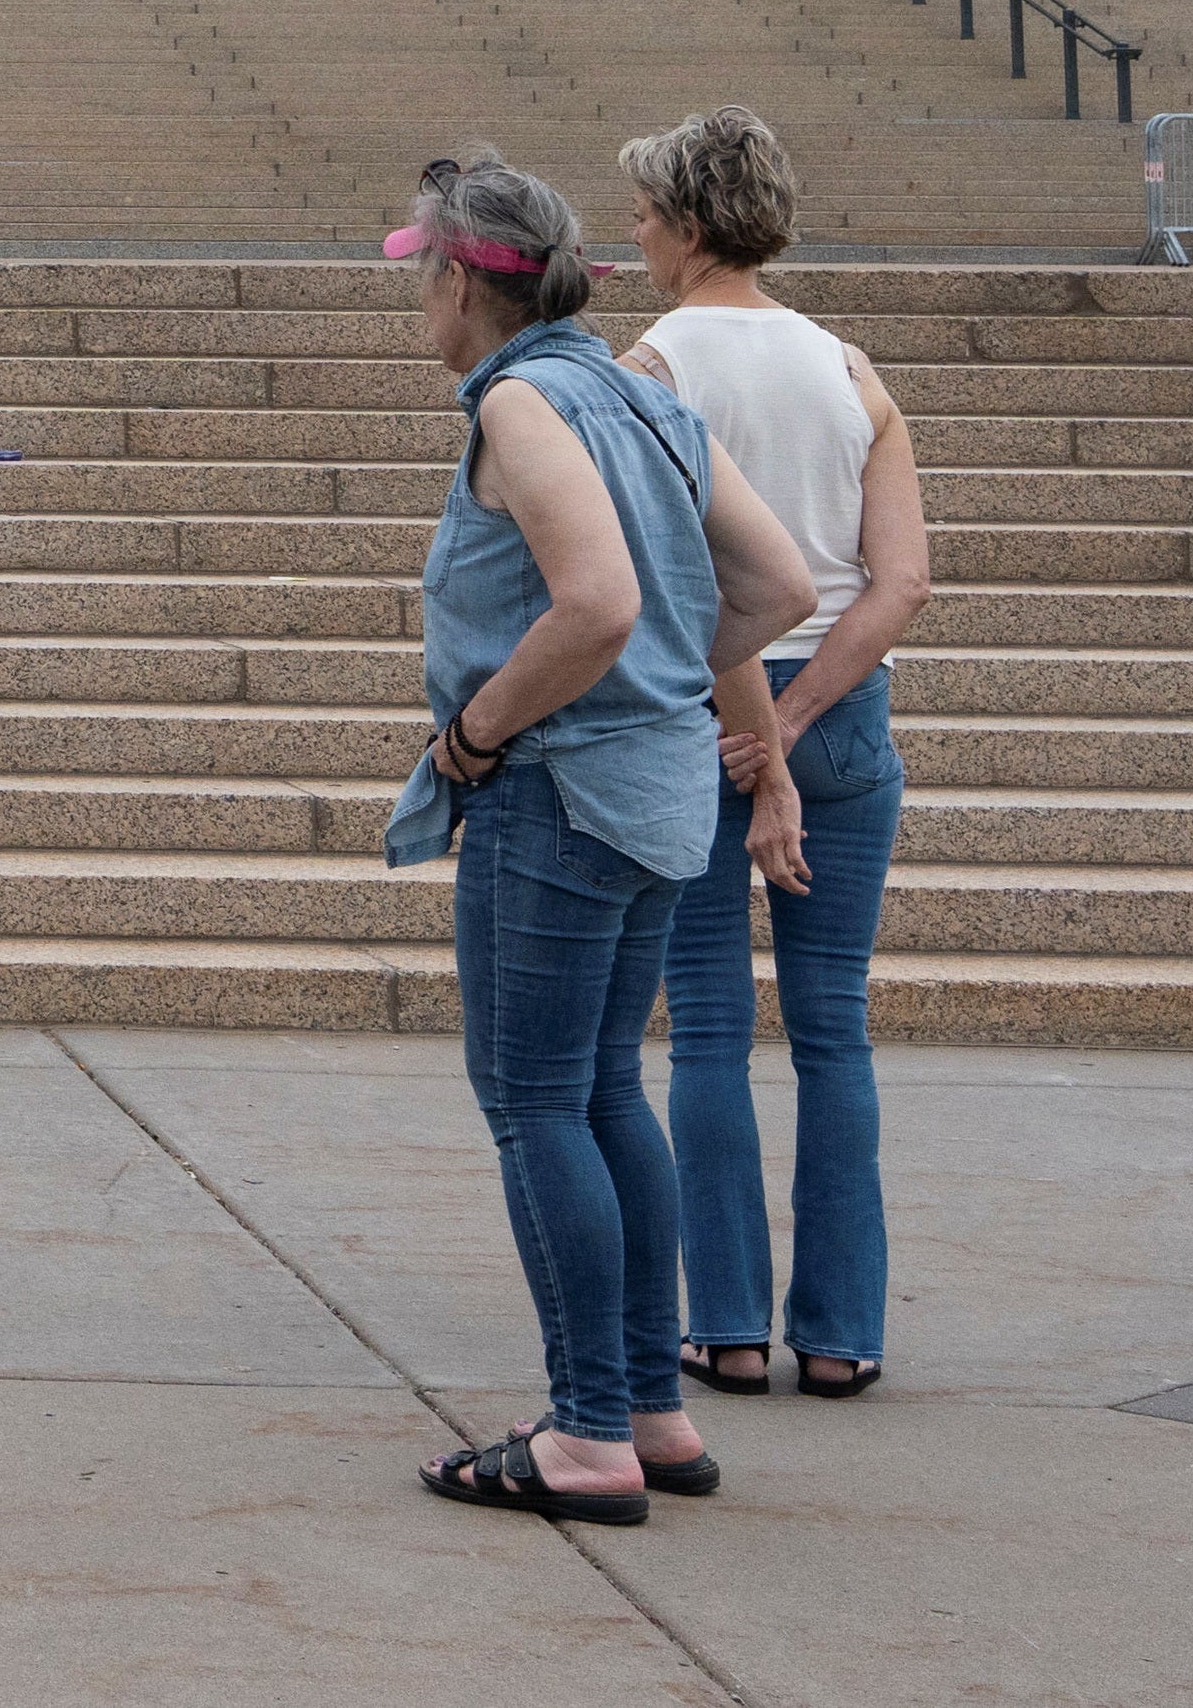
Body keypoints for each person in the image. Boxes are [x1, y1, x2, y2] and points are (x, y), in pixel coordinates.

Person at [382, 146, 818, 1526]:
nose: (416, 297)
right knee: (605, 1093)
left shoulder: (520, 399)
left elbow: (598, 602)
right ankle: (646, 1406)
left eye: (420, 270)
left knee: (533, 1099)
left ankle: (581, 1433)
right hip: (658, 792)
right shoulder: (638, 390)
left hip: (557, 794)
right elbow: (782, 583)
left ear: (462, 278)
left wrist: (477, 737)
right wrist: (669, 687)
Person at [622, 104, 929, 1404]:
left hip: (708, 709)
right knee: (833, 1030)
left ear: (690, 226)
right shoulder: (851, 367)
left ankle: (730, 1322)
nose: (632, 235)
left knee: (706, 1030)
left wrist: (758, 744)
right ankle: (846, 1329)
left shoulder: (653, 367)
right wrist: (801, 731)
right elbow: (899, 580)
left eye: (642, 213)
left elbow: (694, 578)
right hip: (846, 711)